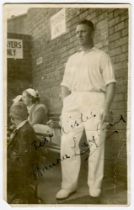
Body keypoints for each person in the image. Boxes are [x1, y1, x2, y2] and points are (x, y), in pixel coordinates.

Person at [56, 19, 116, 200]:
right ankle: (68, 185)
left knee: (95, 143)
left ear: (92, 33)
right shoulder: (72, 59)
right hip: (73, 101)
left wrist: (106, 107)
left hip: (95, 99)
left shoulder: (102, 56)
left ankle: (94, 185)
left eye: (83, 31)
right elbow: (64, 85)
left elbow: (111, 84)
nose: (79, 35)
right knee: (68, 143)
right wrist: (64, 108)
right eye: (77, 32)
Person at [7, 102, 41, 204]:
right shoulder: (24, 127)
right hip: (21, 165)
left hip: (22, 171)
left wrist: (7, 159)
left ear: (12, 117)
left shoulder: (25, 131)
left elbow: (22, 160)